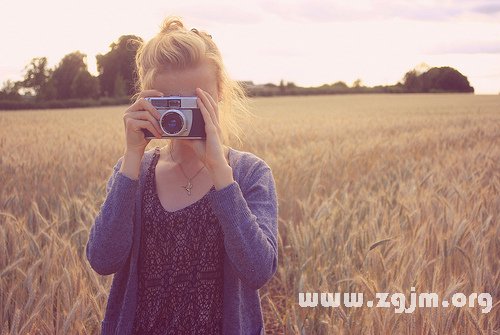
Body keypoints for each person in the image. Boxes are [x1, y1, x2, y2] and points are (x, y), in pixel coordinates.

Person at [85, 16, 279, 335]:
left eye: (194, 100)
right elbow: (103, 261)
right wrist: (132, 156)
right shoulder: (135, 172)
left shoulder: (249, 174)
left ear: (218, 92)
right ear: (148, 100)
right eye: (171, 102)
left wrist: (220, 174)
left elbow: (257, 270)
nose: (182, 114)